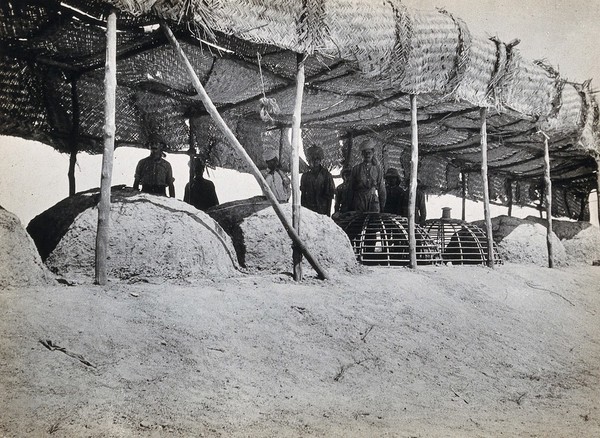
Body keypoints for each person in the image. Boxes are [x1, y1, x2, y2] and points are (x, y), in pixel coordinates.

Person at [348, 138, 386, 212]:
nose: (367, 155)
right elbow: (350, 189)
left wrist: (382, 206)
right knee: (359, 220)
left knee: (374, 221)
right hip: (359, 200)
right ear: (362, 154)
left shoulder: (378, 169)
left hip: (373, 200)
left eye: (369, 152)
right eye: (365, 153)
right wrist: (349, 206)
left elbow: (381, 189)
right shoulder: (356, 169)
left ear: (373, 153)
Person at [300, 145, 335, 216]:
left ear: (320, 160)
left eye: (317, 159)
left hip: (322, 211)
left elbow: (329, 197)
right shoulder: (305, 176)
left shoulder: (327, 175)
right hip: (309, 212)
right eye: (311, 159)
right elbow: (303, 197)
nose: (314, 161)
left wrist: (327, 215)